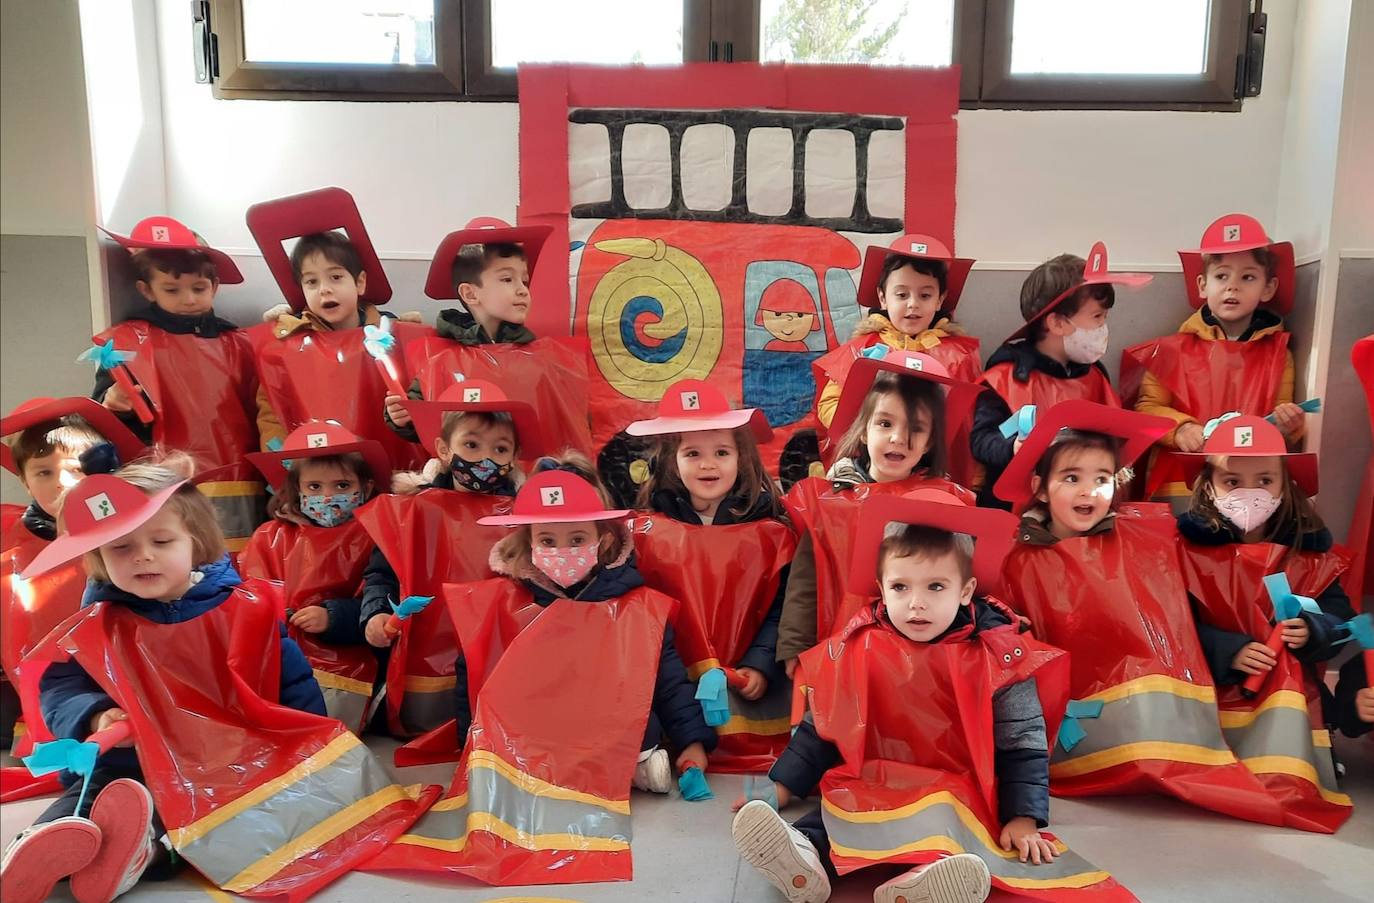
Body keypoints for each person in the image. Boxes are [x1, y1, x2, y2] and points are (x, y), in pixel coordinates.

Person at [3, 457, 427, 901]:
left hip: (233, 758)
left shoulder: (245, 610)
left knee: (203, 819)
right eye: (121, 549)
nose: (143, 555)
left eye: (161, 541)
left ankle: (144, 852)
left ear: (196, 543)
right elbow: (62, 685)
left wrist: (312, 749)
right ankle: (43, 844)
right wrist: (94, 716)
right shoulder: (96, 625)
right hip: (139, 759)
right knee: (104, 797)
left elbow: (290, 680)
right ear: (100, 560)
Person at [734, 491, 1129, 903]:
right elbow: (823, 726)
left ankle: (925, 881)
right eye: (900, 586)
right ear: (880, 590)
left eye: (936, 586)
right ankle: (804, 857)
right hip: (876, 779)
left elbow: (1022, 740)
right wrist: (781, 787)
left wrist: (1024, 817)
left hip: (955, 788)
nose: (916, 603)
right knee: (842, 812)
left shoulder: (998, 656)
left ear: (966, 590)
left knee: (946, 820)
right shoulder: (859, 645)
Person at [368, 464, 711, 885]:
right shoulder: (503, 605)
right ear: (526, 544)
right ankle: (623, 769)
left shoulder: (638, 607)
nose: (562, 551)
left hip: (611, 724)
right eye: (548, 540)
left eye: (577, 539)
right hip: (538, 733)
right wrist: (470, 750)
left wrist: (692, 744)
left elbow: (668, 679)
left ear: (602, 542)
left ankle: (632, 761)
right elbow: (475, 676)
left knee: (640, 739)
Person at [997, 400, 1290, 826]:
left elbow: (1183, 617)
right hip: (1073, 736)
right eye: (1071, 478)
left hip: (1163, 731)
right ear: (1040, 487)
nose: (1088, 491)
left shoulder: (1144, 539)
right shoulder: (1017, 558)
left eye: (1102, 479)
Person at [1177, 414, 1353, 833]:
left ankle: (1300, 759)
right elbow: (1169, 624)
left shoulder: (1310, 554)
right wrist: (1227, 649)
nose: (1250, 493)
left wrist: (1316, 631)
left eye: (1265, 480)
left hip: (1289, 696)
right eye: (1232, 482)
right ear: (1208, 483)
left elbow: (1342, 621)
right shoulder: (1182, 550)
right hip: (1211, 695)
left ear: (1285, 484)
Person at [626, 379, 797, 771]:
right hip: (671, 683)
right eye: (692, 453)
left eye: (722, 451)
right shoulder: (644, 533)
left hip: (745, 682)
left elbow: (781, 611)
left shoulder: (772, 534)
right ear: (670, 462)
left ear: (743, 458)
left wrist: (760, 663)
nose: (708, 464)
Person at [777, 349, 981, 673]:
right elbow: (807, 577)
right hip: (838, 649)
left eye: (916, 428)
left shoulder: (945, 504)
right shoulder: (833, 500)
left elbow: (968, 580)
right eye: (885, 423)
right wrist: (795, 647)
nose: (898, 438)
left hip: (918, 658)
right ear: (864, 429)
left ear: (930, 442)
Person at [90, 216, 263, 548]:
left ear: (214, 286)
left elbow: (264, 410)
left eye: (198, 289)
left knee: (233, 564)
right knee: (173, 558)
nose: (188, 299)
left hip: (237, 479)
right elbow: (98, 422)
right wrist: (112, 405)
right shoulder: (128, 342)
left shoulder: (240, 343)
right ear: (146, 289)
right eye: (172, 289)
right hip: (160, 481)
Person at [1121, 213, 1305, 504]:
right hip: (1180, 483)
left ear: (1268, 288)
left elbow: (1281, 415)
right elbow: (1147, 409)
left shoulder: (1279, 354)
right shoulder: (1170, 350)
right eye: (1221, 275)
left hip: (1247, 484)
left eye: (1248, 277)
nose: (1233, 286)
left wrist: (1289, 425)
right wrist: (1181, 429)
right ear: (1202, 285)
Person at [245, 187, 430, 469]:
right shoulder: (284, 348)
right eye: (312, 282)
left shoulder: (389, 336)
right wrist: (283, 465)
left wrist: (406, 335)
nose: (325, 290)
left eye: (335, 277)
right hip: (317, 479)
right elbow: (271, 411)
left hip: (392, 475)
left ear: (359, 283)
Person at [969, 242, 1149, 508]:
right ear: (1057, 323)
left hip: (1083, 510)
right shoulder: (1007, 378)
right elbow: (982, 440)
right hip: (1018, 515)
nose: (1103, 328)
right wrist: (1012, 449)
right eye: (1097, 317)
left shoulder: (1095, 377)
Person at [240, 422, 393, 732]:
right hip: (282, 659)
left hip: (351, 663)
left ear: (364, 487)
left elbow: (383, 599)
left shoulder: (377, 535)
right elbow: (248, 600)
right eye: (314, 487)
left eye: (341, 486)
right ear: (296, 489)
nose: (327, 497)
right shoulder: (269, 538)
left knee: (321, 730)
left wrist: (334, 618)